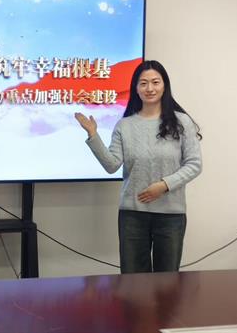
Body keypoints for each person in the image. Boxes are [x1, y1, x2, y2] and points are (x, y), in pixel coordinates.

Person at [74, 60, 202, 273]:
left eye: (155, 82)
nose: (149, 88)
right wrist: (93, 135)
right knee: (133, 283)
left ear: (164, 85)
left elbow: (194, 164)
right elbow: (111, 165)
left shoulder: (181, 122)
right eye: (143, 83)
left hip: (170, 215)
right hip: (132, 214)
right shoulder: (125, 125)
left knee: (167, 282)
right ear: (135, 88)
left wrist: (164, 185)